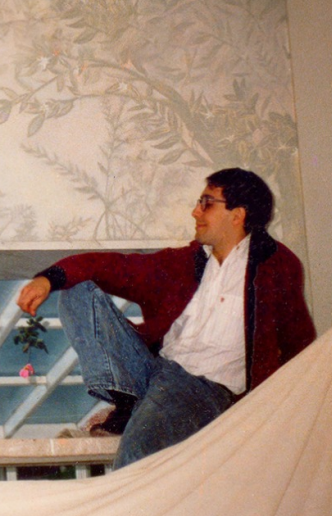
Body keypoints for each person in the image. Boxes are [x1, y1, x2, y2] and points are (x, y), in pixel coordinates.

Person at [17, 168, 316, 468]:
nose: (195, 211)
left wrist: (271, 414)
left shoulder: (276, 266)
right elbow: (114, 266)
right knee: (78, 290)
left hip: (202, 386)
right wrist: (48, 279)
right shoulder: (185, 263)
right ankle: (128, 403)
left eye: (206, 203)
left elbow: (299, 344)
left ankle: (131, 439)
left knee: (136, 456)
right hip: (152, 367)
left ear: (237, 215)